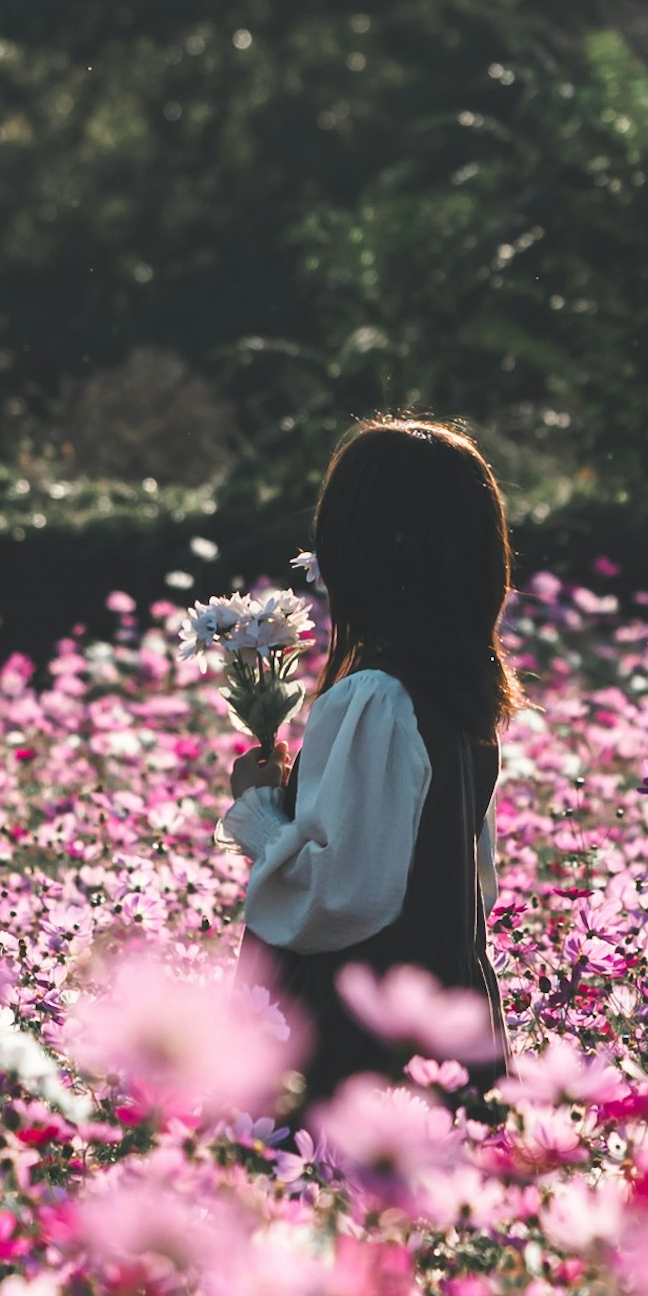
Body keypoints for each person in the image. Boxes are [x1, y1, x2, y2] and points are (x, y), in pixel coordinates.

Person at [226, 415, 517, 1110]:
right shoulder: (456, 697)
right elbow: (465, 886)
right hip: (442, 1018)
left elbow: (340, 896)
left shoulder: (376, 696)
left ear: (363, 549)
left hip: (359, 1043)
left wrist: (260, 813)